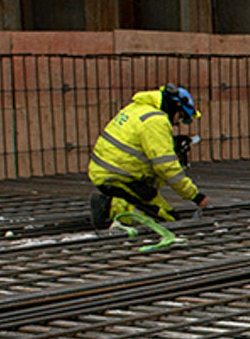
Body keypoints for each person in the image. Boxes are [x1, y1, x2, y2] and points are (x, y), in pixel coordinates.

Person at [87, 84, 208, 231]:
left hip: (111, 172)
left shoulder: (137, 108)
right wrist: (196, 196)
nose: (177, 123)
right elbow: (167, 169)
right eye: (181, 117)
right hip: (119, 178)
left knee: (168, 215)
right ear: (173, 108)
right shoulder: (156, 121)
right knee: (163, 221)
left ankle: (117, 203)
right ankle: (109, 206)